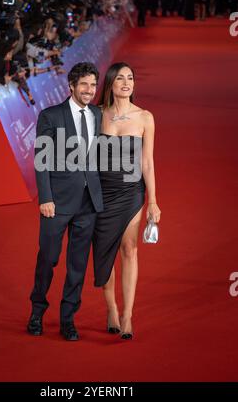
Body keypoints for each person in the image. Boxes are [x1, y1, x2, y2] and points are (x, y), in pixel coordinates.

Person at [27, 62, 104, 341]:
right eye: (83, 84)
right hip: (56, 202)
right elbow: (41, 159)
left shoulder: (98, 113)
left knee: (78, 264)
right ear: (71, 86)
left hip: (88, 203)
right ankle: (37, 311)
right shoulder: (51, 115)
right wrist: (45, 197)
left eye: (93, 85)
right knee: (48, 258)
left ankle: (67, 319)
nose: (89, 90)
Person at [93, 62, 161, 339]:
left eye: (130, 78)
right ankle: (111, 309)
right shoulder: (96, 115)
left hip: (131, 191)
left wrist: (153, 201)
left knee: (129, 248)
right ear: (109, 83)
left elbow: (147, 162)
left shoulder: (145, 117)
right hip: (100, 191)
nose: (126, 82)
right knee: (104, 251)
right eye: (120, 78)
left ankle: (127, 314)